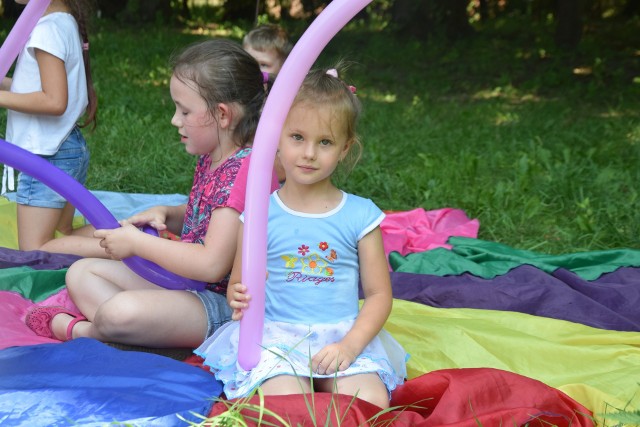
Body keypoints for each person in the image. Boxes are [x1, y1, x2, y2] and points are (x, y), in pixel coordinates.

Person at [25, 39, 279, 349]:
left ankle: (86, 332)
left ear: (223, 115)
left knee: (120, 312)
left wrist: (138, 244)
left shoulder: (244, 171)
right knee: (81, 273)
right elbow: (212, 218)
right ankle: (138, 331)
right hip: (190, 286)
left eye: (184, 111)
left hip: (223, 307)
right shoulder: (216, 155)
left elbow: (211, 264)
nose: (175, 120)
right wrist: (167, 213)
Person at [195, 67, 407, 409]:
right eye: (297, 137)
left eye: (324, 142)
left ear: (344, 148)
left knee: (369, 403)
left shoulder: (361, 215)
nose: (309, 153)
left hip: (342, 337)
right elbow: (238, 282)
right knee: (289, 405)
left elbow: (380, 294)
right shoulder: (258, 214)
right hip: (276, 339)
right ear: (276, 136)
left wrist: (350, 347)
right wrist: (239, 295)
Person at [0, 0, 99, 256]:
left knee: (34, 248)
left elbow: (54, 101)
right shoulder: (61, 21)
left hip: (48, 155)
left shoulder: (47, 29)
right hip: (65, 146)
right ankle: (133, 235)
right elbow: (32, 86)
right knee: (63, 231)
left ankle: (132, 248)